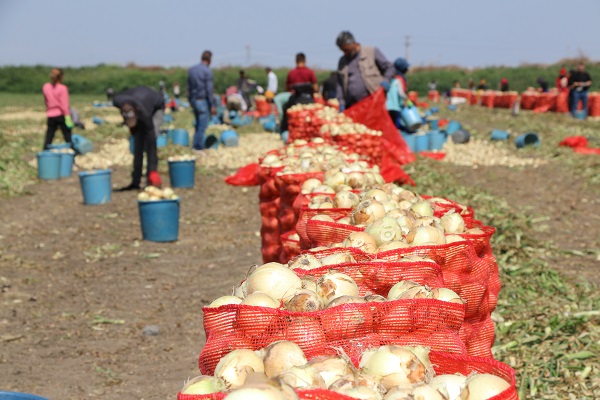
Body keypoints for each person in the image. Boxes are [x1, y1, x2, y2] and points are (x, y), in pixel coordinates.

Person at [113, 86, 165, 191]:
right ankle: (135, 181)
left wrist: (153, 169)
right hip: (139, 101)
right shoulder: (117, 101)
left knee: (149, 142)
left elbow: (152, 143)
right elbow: (130, 121)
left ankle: (150, 179)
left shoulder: (145, 113)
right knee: (138, 143)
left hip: (156, 107)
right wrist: (133, 130)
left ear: (137, 111)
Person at [335, 31, 395, 109]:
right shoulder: (342, 61)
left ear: (353, 43)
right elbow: (339, 84)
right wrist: (341, 101)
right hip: (353, 105)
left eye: (347, 50)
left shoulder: (371, 52)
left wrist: (386, 79)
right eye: (343, 51)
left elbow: (389, 67)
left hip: (373, 100)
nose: (345, 53)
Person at [280, 52, 319, 134]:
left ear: (296, 61)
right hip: (309, 100)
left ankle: (285, 131)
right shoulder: (310, 72)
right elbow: (316, 88)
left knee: (286, 111)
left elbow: (287, 88)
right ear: (305, 61)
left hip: (295, 100)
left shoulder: (292, 73)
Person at [188, 50, 216, 151]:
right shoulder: (207, 71)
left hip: (194, 100)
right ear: (209, 60)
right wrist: (212, 105)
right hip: (202, 100)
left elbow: (189, 88)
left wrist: (190, 100)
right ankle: (198, 147)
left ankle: (195, 143)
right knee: (202, 125)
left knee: (197, 123)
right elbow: (209, 90)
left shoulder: (192, 70)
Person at [42, 68, 73, 150]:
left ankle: (45, 153)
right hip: (60, 114)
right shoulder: (63, 88)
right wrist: (67, 116)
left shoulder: (46, 87)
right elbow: (64, 105)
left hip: (50, 115)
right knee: (67, 136)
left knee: (49, 136)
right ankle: (71, 155)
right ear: (61, 77)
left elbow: (46, 101)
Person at [386, 58, 410, 130]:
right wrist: (408, 100)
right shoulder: (399, 80)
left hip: (387, 106)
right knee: (396, 125)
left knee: (389, 124)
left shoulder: (388, 81)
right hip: (396, 106)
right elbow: (401, 93)